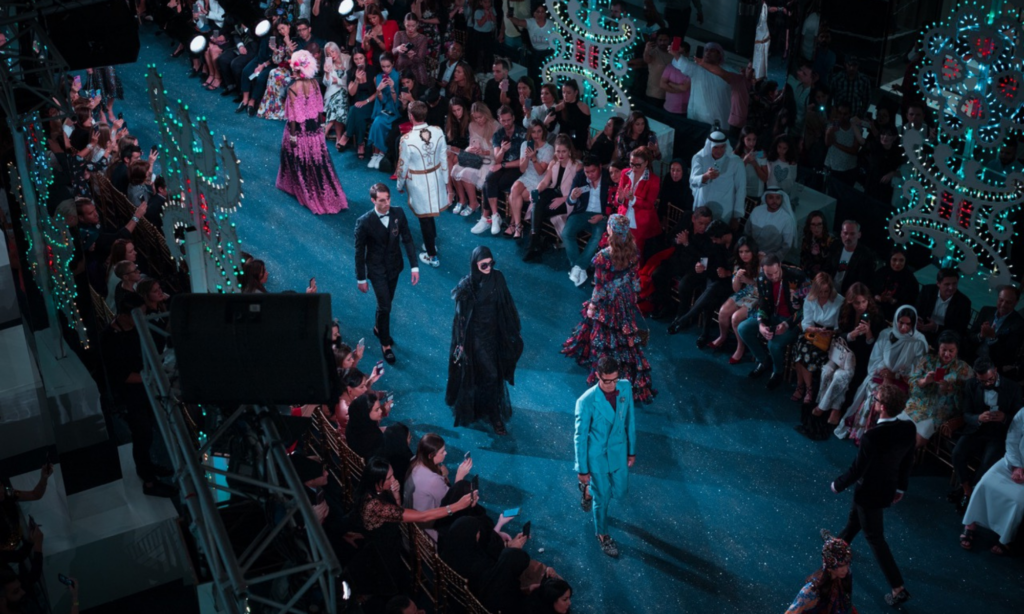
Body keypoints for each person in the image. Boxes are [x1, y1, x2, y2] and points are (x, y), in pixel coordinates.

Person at [829, 383, 915, 608]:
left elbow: (858, 469)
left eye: (876, 400)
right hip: (887, 489)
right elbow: (907, 461)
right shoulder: (908, 428)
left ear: (882, 407)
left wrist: (837, 485)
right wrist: (901, 488)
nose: (874, 403)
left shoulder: (872, 437)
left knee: (875, 537)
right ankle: (837, 546)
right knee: (854, 522)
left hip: (868, 493)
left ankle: (898, 588)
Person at [563, 215, 655, 403]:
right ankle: (622, 370)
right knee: (624, 332)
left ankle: (605, 373)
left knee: (603, 336)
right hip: (625, 298)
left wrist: (593, 305)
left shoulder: (603, 257)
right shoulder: (632, 251)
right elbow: (634, 278)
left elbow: (599, 287)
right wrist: (634, 293)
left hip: (608, 303)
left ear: (611, 230)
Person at [101, 294, 175, 498]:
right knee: (142, 436)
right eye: (139, 315)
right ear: (124, 315)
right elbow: (122, 376)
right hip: (131, 397)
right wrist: (151, 376)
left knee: (148, 432)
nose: (143, 318)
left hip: (145, 388)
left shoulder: (136, 329)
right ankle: (149, 482)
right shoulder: (110, 339)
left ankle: (149, 468)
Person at [446, 246, 524, 435]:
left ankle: (489, 411)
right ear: (475, 265)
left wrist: (511, 331)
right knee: (490, 374)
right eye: (484, 264)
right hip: (476, 338)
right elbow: (460, 319)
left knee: (492, 375)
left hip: (496, 334)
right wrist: (461, 343)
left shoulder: (498, 277)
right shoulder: (466, 286)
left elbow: (507, 304)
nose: (489, 267)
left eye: (491, 263)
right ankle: (494, 416)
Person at [574, 356, 637, 558]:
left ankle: (587, 492)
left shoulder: (625, 388)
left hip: (619, 452)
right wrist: (582, 469)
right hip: (597, 457)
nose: (611, 385)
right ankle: (602, 535)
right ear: (598, 376)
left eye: (615, 380)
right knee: (603, 499)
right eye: (606, 381)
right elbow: (580, 438)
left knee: (620, 491)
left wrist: (631, 450)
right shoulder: (586, 401)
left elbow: (630, 420)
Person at [834, 306, 929, 438]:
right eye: (901, 322)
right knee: (875, 395)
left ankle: (878, 436)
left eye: (908, 324)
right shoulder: (886, 334)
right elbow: (876, 358)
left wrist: (895, 375)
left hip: (902, 381)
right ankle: (863, 434)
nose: (903, 327)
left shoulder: (918, 342)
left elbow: (917, 368)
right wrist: (885, 372)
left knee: (888, 399)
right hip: (881, 375)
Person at [948, 357, 1023, 515]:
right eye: (983, 381)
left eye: (990, 380)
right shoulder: (971, 385)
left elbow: (1019, 419)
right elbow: (966, 414)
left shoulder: (1013, 387)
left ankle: (973, 494)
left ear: (995, 370)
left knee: (987, 463)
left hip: (999, 434)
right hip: (977, 430)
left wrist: (1004, 418)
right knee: (957, 454)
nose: (988, 384)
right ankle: (967, 491)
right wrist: (977, 418)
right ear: (976, 376)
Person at [277, 50, 349, 215]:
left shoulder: (293, 88)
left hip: (299, 133)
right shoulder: (316, 85)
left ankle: (299, 189)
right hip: (314, 131)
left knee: (296, 160)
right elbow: (318, 111)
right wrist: (318, 131)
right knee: (319, 164)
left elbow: (294, 117)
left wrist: (293, 136)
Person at [354, 183, 419, 364]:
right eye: (382, 200)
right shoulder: (364, 222)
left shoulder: (398, 213)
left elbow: (407, 239)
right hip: (376, 270)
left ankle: (378, 327)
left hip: (394, 267)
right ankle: (385, 343)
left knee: (386, 302)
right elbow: (359, 253)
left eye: (388, 198)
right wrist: (361, 278)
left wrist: (414, 266)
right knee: (385, 306)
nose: (386, 203)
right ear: (373, 200)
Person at [960, 406, 1024, 556]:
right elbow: (1013, 436)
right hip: (1013, 461)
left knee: (1018, 502)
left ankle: (1005, 538)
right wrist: (1017, 466)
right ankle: (970, 525)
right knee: (984, 483)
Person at [737, 254, 807, 390]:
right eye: (769, 274)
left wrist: (787, 324)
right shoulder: (763, 277)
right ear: (763, 270)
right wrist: (761, 324)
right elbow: (763, 303)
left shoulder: (798, 276)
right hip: (772, 316)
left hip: (793, 320)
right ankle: (763, 360)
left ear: (780, 266)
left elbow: (807, 308)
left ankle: (778, 371)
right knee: (743, 329)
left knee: (773, 345)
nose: (773, 277)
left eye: (776, 272)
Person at [396, 101, 448, 268]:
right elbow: (444, 158)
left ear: (411, 116)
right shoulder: (438, 132)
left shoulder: (407, 139)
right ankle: (430, 243)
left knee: (424, 218)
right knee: (430, 214)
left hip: (418, 182)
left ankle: (432, 255)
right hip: (436, 177)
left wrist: (399, 185)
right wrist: (446, 181)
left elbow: (402, 165)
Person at [902, 331, 974, 447]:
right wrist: (924, 381)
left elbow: (968, 398)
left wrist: (950, 389)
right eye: (943, 350)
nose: (947, 354)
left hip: (939, 411)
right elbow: (912, 382)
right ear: (938, 348)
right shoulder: (928, 360)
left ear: (957, 350)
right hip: (918, 404)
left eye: (951, 351)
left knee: (917, 440)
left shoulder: (964, 370)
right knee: (898, 428)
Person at [522, 135, 581, 262]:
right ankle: (535, 245)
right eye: (558, 151)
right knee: (537, 200)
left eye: (563, 151)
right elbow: (545, 182)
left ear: (569, 151)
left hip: (568, 198)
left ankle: (534, 246)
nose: (560, 155)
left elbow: (579, 191)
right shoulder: (554, 163)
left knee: (538, 211)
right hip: (554, 192)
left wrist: (564, 198)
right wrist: (536, 190)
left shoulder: (577, 166)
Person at [403, 433, 473, 538]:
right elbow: (452, 502)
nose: (446, 453)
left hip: (415, 521)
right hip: (431, 528)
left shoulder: (414, 461)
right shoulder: (433, 481)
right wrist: (460, 477)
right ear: (430, 455)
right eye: (442, 452)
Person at [472, 105, 527, 236]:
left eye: (509, 120)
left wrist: (503, 165)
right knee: (489, 179)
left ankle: (488, 217)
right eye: (503, 120)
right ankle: (495, 215)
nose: (506, 123)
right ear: (499, 120)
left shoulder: (523, 133)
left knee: (490, 183)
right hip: (502, 165)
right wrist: (502, 150)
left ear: (513, 118)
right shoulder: (498, 134)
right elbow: (497, 159)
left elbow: (523, 162)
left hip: (516, 168)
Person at [791, 272, 844, 405]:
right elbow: (806, 324)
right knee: (799, 348)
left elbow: (840, 327)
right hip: (813, 331)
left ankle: (804, 388)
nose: (823, 295)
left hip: (830, 336)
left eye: (826, 291)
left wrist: (830, 333)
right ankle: (805, 387)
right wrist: (815, 330)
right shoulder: (810, 298)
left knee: (805, 353)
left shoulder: (839, 301)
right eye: (820, 291)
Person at [564, 156, 615, 287]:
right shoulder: (580, 176)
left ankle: (578, 267)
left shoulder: (608, 177)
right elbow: (570, 201)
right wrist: (573, 196)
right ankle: (578, 267)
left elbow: (614, 205)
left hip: (602, 215)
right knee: (566, 233)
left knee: (597, 236)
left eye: (593, 171)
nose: (590, 175)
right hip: (582, 212)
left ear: (600, 167)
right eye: (587, 172)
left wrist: (603, 216)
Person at [709, 235, 760, 364]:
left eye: (747, 251)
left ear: (753, 250)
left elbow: (766, 287)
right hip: (745, 291)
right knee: (723, 312)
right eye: (741, 251)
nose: (744, 255)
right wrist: (737, 278)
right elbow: (736, 289)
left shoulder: (761, 262)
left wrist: (749, 281)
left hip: (759, 294)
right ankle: (722, 336)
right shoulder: (739, 263)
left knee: (735, 317)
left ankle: (740, 347)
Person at [784, 532, 855, 614]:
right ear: (829, 566)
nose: (845, 569)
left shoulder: (846, 575)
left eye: (847, 564)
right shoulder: (811, 590)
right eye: (841, 566)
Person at [506, 120, 554, 239]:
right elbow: (522, 169)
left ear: (543, 132)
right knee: (514, 189)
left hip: (539, 180)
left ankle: (514, 224)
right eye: (533, 132)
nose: (536, 135)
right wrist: (527, 157)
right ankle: (518, 225)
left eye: (539, 131)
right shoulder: (525, 145)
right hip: (526, 176)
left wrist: (534, 158)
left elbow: (541, 171)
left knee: (517, 196)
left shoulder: (549, 148)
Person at [689, 130, 745, 228]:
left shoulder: (736, 162)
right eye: (715, 147)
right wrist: (706, 176)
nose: (719, 151)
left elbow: (741, 189)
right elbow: (692, 182)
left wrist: (737, 215)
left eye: (722, 147)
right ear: (709, 146)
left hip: (725, 209)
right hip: (703, 205)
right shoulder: (699, 157)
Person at [451, 102, 498, 217]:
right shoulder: (472, 125)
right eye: (475, 117)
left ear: (486, 114)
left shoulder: (495, 125)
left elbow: (498, 151)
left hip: (489, 159)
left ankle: (474, 203)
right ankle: (462, 200)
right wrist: (470, 149)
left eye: (480, 117)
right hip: (475, 157)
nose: (478, 120)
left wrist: (484, 152)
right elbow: (471, 143)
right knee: (455, 169)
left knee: (466, 173)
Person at [668, 42, 731, 128]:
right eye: (706, 50)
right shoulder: (697, 68)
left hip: (721, 120)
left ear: (719, 54)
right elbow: (684, 64)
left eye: (712, 51)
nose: (708, 53)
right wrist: (676, 54)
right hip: (698, 120)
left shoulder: (729, 71)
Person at [615, 146, 661, 260]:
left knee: (635, 251)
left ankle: (635, 274)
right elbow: (618, 196)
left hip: (640, 221)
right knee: (618, 247)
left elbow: (649, 204)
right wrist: (620, 199)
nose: (634, 168)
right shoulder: (625, 173)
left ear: (646, 163)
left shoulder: (654, 180)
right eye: (631, 164)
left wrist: (633, 199)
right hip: (623, 215)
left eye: (637, 165)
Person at [966, 285, 1024, 369]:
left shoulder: (1019, 324)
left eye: (1008, 302)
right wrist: (981, 335)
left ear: (1016, 302)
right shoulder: (986, 311)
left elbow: (1008, 354)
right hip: (973, 357)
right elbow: (970, 335)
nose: (1003, 305)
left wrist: (992, 338)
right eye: (1001, 300)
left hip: (993, 365)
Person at [915, 267, 973, 347]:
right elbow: (917, 309)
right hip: (921, 330)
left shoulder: (963, 303)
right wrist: (918, 319)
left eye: (954, 284)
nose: (951, 288)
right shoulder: (928, 291)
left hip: (945, 338)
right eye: (947, 284)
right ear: (938, 283)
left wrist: (936, 327)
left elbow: (959, 329)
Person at [367, 53, 402, 169]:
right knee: (378, 121)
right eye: (383, 67)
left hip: (395, 109)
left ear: (393, 64)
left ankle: (378, 154)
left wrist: (392, 87)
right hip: (383, 109)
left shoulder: (397, 77)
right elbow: (381, 100)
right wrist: (379, 91)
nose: (386, 69)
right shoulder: (378, 77)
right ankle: (377, 154)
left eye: (388, 66)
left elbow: (397, 101)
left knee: (378, 122)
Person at [744, 188, 797, 261]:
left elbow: (786, 246)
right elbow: (747, 232)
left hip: (770, 259)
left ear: (782, 199)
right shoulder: (757, 210)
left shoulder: (786, 219)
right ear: (765, 199)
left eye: (778, 198)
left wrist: (772, 259)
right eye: (771, 197)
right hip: (751, 253)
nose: (774, 201)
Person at [871, 247, 919, 322]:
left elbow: (909, 304)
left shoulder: (911, 281)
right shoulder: (881, 273)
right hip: (874, 310)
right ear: (889, 259)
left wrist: (893, 301)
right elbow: (870, 290)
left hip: (896, 317)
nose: (897, 263)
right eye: (894, 260)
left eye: (901, 260)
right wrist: (876, 297)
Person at [826, 221, 874, 295]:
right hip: (829, 291)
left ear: (859, 235)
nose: (848, 237)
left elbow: (862, 284)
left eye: (852, 234)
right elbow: (827, 268)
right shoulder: (835, 246)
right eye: (845, 233)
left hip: (848, 296)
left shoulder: (866, 256)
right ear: (841, 233)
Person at [322, 42, 350, 150]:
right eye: (328, 54)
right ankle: (339, 138)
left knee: (340, 97)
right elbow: (327, 83)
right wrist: (327, 73)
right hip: (332, 94)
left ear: (337, 50)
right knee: (339, 103)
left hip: (345, 92)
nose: (331, 55)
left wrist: (337, 80)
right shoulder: (328, 63)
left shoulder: (347, 59)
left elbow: (347, 80)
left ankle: (326, 129)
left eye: (332, 51)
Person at [800, 211, 835, 278]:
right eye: (813, 224)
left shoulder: (831, 241)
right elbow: (803, 259)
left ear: (823, 225)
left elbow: (831, 264)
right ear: (809, 226)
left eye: (819, 224)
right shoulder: (806, 239)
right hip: (809, 275)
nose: (816, 228)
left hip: (824, 277)